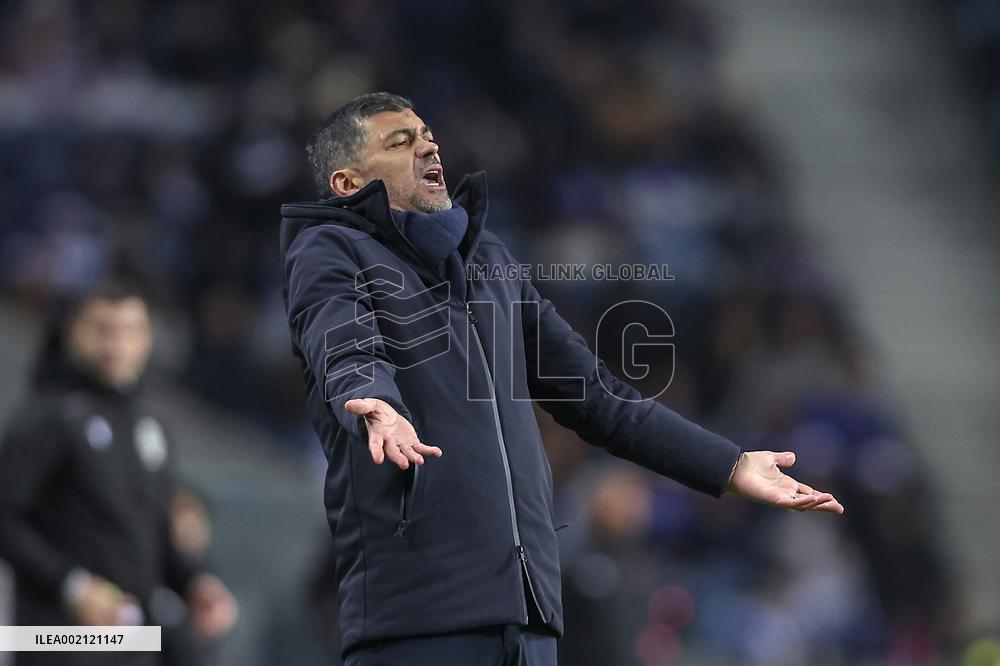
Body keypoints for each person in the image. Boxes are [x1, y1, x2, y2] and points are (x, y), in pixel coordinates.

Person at [279, 92, 843, 666]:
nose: (426, 145)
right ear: (349, 183)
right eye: (400, 141)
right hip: (419, 624)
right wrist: (370, 397)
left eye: (428, 135)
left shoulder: (490, 262)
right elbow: (340, 334)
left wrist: (728, 464)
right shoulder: (328, 247)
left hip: (530, 625)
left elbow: (597, 397)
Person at [0, 283, 238, 666]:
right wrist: (72, 585)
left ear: (147, 339)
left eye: (130, 330)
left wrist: (196, 581)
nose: (117, 343)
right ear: (73, 332)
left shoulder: (151, 424)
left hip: (128, 641)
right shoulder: (46, 417)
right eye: (102, 329)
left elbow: (154, 529)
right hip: (58, 638)